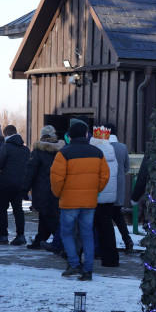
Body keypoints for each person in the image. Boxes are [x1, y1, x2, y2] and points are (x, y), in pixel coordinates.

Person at [50, 119, 109, 281]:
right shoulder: (97, 153)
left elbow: (56, 179)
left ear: (70, 136)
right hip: (89, 201)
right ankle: (88, 269)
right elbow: (105, 176)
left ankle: (74, 264)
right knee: (87, 235)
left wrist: (59, 194)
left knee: (67, 233)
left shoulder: (64, 153)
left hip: (69, 201)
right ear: (85, 134)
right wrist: (95, 191)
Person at [23, 124, 63, 251]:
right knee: (45, 215)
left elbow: (31, 172)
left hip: (42, 189)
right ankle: (40, 240)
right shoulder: (61, 150)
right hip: (57, 188)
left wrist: (24, 189)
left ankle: (61, 243)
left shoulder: (38, 151)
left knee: (50, 218)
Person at [0, 125, 29, 245]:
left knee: (2, 209)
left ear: (6, 135)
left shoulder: (5, 147)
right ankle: (21, 235)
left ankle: (3, 235)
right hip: (20, 184)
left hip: (5, 183)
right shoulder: (25, 149)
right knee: (18, 210)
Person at [90, 126, 120, 267]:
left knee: (87, 228)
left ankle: (78, 255)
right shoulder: (111, 153)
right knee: (107, 228)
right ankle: (111, 259)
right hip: (109, 197)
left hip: (95, 195)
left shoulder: (94, 154)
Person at [107, 124, 134, 254]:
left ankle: (107, 245)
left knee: (104, 218)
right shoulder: (123, 147)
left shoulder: (102, 147)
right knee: (118, 215)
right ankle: (127, 240)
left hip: (106, 186)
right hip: (119, 185)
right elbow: (126, 168)